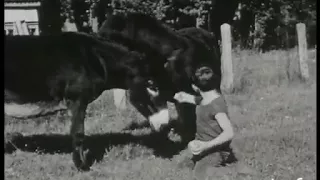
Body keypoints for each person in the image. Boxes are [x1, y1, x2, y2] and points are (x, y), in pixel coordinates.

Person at [174, 64, 239, 180]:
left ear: (195, 87)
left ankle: (227, 173)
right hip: (202, 147)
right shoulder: (207, 98)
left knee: (199, 174)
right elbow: (200, 101)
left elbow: (229, 133)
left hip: (217, 150)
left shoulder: (216, 106)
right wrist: (185, 97)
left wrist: (206, 145)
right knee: (182, 166)